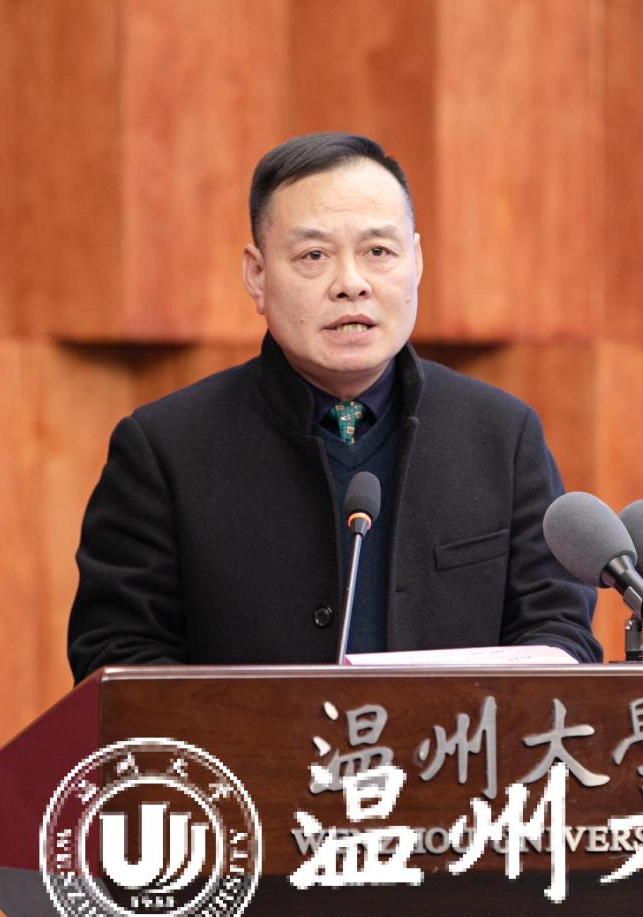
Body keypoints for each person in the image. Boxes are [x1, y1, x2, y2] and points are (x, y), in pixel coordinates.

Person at [67, 132, 598, 680]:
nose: (351, 284)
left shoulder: (502, 436)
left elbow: (558, 632)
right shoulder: (165, 451)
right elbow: (117, 656)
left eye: (378, 252)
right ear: (257, 275)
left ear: (416, 261)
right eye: (314, 255)